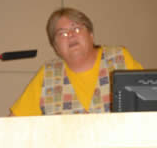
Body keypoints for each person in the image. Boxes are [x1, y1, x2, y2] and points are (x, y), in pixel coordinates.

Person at [10, 7, 142, 116]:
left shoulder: (119, 58)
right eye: (62, 34)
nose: (71, 35)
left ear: (91, 36)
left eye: (77, 29)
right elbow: (14, 123)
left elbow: (150, 102)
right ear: (55, 47)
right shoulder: (47, 75)